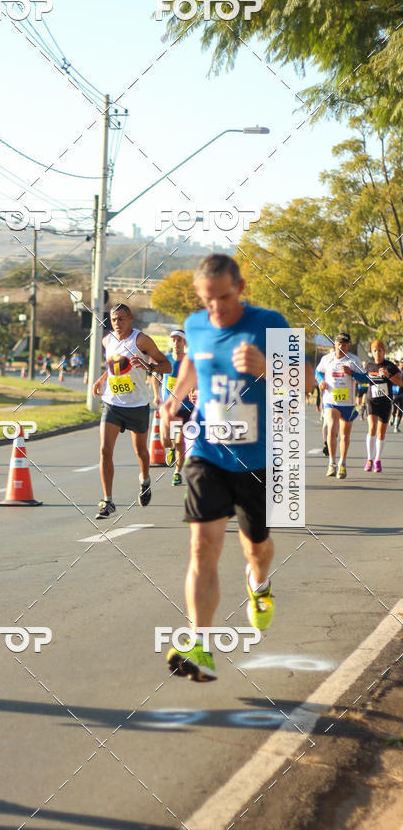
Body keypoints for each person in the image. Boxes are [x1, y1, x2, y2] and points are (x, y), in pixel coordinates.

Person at [161, 254, 313, 681]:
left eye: (223, 299)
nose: (216, 310)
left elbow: (306, 381)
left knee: (256, 550)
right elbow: (193, 360)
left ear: (240, 288)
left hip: (260, 460)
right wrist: (175, 399)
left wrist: (268, 368)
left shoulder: (269, 323)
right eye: (207, 301)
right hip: (207, 451)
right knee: (202, 547)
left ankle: (259, 586)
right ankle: (199, 645)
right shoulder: (196, 324)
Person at [92, 303, 171, 518]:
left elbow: (167, 365)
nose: (117, 323)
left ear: (130, 318)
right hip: (112, 404)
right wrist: (101, 379)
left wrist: (149, 368)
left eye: (121, 319)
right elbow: (113, 367)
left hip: (137, 405)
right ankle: (107, 501)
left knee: (141, 452)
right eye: (113, 319)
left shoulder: (141, 340)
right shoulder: (107, 340)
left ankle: (145, 479)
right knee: (105, 450)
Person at [315, 332, 366, 479]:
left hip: (348, 404)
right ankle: (332, 463)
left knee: (344, 435)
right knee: (331, 429)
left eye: (344, 343)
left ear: (348, 345)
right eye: (339, 343)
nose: (341, 345)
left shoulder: (353, 360)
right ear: (335, 344)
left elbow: (365, 378)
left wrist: (352, 373)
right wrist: (321, 381)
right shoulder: (327, 359)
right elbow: (318, 372)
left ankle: (342, 462)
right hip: (331, 401)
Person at [153, 329, 194, 486]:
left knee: (179, 441)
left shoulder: (189, 361)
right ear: (171, 342)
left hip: (186, 407)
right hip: (168, 408)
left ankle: (177, 473)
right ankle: (170, 450)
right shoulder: (166, 360)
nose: (176, 343)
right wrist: (156, 395)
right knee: (165, 441)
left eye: (179, 340)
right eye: (173, 340)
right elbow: (155, 379)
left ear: (184, 342)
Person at [363, 340, 402, 472]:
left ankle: (377, 460)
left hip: (385, 403)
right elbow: (361, 379)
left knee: (381, 431)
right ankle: (369, 459)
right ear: (372, 352)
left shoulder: (390, 366)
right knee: (372, 428)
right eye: (375, 350)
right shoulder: (369, 366)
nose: (377, 352)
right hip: (372, 401)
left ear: (384, 352)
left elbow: (400, 383)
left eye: (380, 350)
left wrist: (388, 375)